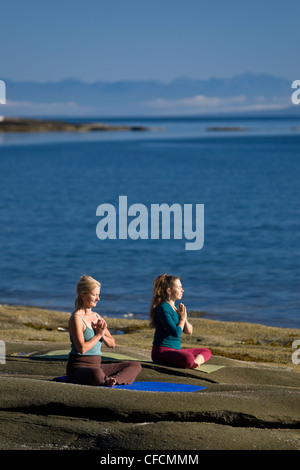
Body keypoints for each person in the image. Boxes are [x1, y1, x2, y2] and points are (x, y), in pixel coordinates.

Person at [66, 275, 141, 386]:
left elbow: (112, 344)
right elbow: (81, 349)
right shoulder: (76, 318)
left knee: (135, 365)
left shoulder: (97, 317)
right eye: (95, 295)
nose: (98, 298)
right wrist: (97, 336)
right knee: (96, 373)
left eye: (98, 295)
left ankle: (113, 380)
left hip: (96, 366)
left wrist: (102, 336)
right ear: (83, 295)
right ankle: (105, 379)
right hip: (79, 368)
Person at [150, 273, 211, 369]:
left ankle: (195, 363)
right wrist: (182, 318)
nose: (182, 290)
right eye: (179, 288)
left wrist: (184, 317)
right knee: (188, 358)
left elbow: (189, 331)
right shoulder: (163, 308)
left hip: (175, 351)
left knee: (206, 351)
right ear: (169, 291)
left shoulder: (174, 308)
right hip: (161, 352)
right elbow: (175, 333)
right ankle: (190, 362)